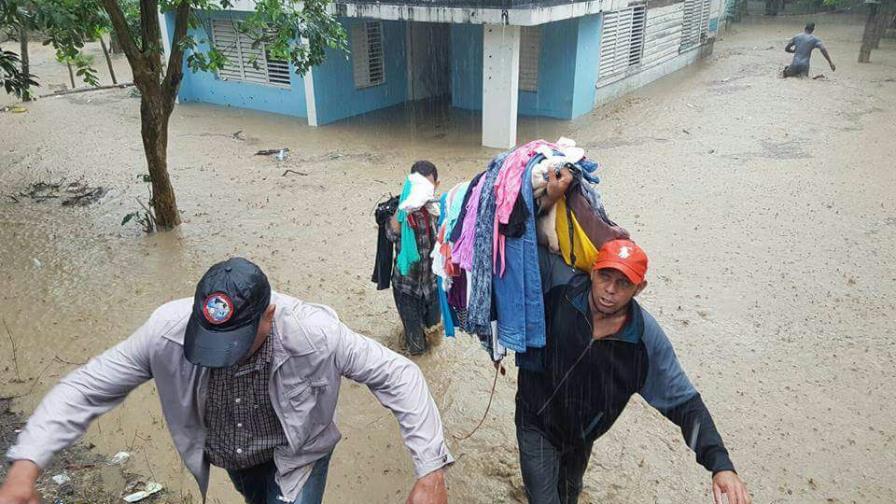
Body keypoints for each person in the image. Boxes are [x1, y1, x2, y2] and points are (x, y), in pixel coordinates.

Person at [0, 258, 451, 504]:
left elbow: (400, 374)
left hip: (299, 456)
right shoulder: (166, 331)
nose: (225, 361)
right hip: (235, 460)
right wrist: (26, 465)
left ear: (269, 317)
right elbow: (87, 386)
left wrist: (430, 471)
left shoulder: (316, 334)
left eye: (237, 343)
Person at [512, 169, 751, 504]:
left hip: (580, 438)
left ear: (640, 288)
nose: (609, 290)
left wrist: (720, 465)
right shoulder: (561, 286)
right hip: (535, 421)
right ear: (593, 271)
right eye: (605, 277)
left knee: (568, 496)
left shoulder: (643, 341)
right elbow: (514, 240)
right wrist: (549, 197)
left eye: (622, 283)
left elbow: (685, 403)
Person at [387, 161, 442, 356]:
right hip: (406, 288)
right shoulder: (402, 209)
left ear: (436, 185)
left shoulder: (440, 211)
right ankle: (409, 334)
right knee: (417, 349)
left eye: (428, 186)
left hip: (433, 287)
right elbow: (391, 234)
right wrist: (405, 206)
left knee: (434, 337)